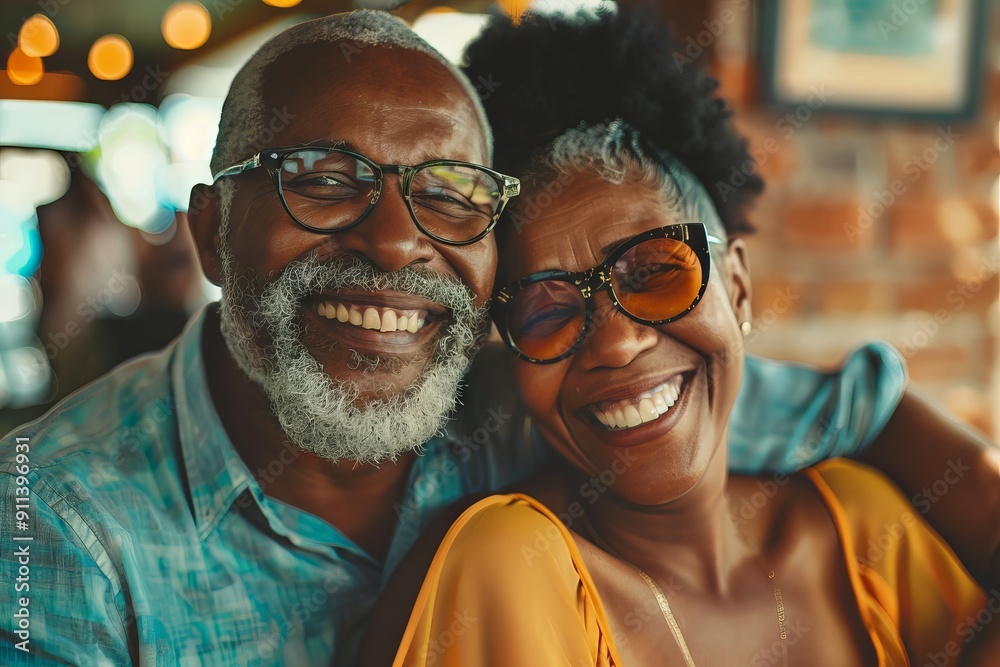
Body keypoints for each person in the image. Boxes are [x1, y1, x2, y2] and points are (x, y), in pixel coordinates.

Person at [0, 9, 995, 667]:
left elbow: (818, 399)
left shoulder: (533, 394)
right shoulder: (57, 521)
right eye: (320, 176)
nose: (394, 241)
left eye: (445, 196)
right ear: (213, 230)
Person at [361, 9, 999, 667]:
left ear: (740, 288)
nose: (615, 343)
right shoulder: (510, 565)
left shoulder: (861, 523)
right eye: (546, 311)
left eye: (658, 272)